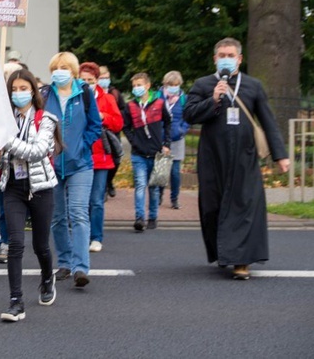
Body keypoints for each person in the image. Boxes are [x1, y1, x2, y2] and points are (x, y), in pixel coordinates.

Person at [183, 38, 289, 280]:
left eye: (230, 54)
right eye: (221, 54)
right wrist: (214, 100)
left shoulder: (253, 85)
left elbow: (268, 122)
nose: (226, 58)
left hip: (245, 156)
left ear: (239, 59)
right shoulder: (203, 84)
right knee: (213, 208)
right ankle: (224, 253)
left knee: (244, 206)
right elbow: (189, 114)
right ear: (215, 59)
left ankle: (241, 262)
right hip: (212, 157)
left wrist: (280, 155)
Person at [0, 69, 61, 322]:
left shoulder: (46, 119)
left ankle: (47, 278)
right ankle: (16, 301)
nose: (18, 94)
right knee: (15, 243)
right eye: (14, 89)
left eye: (24, 89)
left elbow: (37, 151)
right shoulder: (4, 120)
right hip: (13, 187)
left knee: (40, 246)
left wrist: (5, 141)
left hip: (41, 188)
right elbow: (1, 153)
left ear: (33, 91)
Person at [44, 52, 102, 288]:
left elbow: (95, 126)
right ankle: (65, 263)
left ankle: (81, 267)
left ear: (74, 70)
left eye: (65, 67)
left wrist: (81, 147)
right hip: (51, 165)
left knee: (78, 213)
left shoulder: (85, 93)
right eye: (56, 67)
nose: (60, 71)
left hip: (80, 165)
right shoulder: (45, 94)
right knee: (57, 217)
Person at [79, 62, 123, 253]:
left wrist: (104, 116)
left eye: (90, 80)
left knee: (96, 200)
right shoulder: (74, 98)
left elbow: (119, 123)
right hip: (80, 155)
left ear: (97, 80)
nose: (87, 83)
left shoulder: (107, 99)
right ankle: (82, 233)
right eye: (83, 80)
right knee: (81, 200)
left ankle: (96, 237)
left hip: (101, 156)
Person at [122, 73, 172, 232]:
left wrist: (166, 143)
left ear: (148, 86)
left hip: (156, 152)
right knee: (140, 184)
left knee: (154, 187)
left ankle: (153, 216)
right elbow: (125, 126)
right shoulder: (130, 106)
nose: (137, 88)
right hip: (139, 153)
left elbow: (168, 122)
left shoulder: (159, 103)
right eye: (134, 85)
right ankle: (139, 217)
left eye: (139, 85)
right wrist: (133, 141)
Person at [157, 71, 191, 209]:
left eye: (176, 85)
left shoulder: (184, 99)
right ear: (165, 84)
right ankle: (158, 195)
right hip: (162, 138)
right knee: (161, 170)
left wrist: (182, 130)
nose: (173, 87)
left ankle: (174, 198)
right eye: (171, 85)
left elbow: (188, 116)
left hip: (177, 138)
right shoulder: (158, 97)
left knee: (175, 171)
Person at [98, 65, 126, 198]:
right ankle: (104, 186)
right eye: (101, 78)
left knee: (116, 159)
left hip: (112, 133)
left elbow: (122, 112)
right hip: (101, 134)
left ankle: (109, 181)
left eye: (106, 78)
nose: (104, 80)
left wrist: (108, 114)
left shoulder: (114, 93)